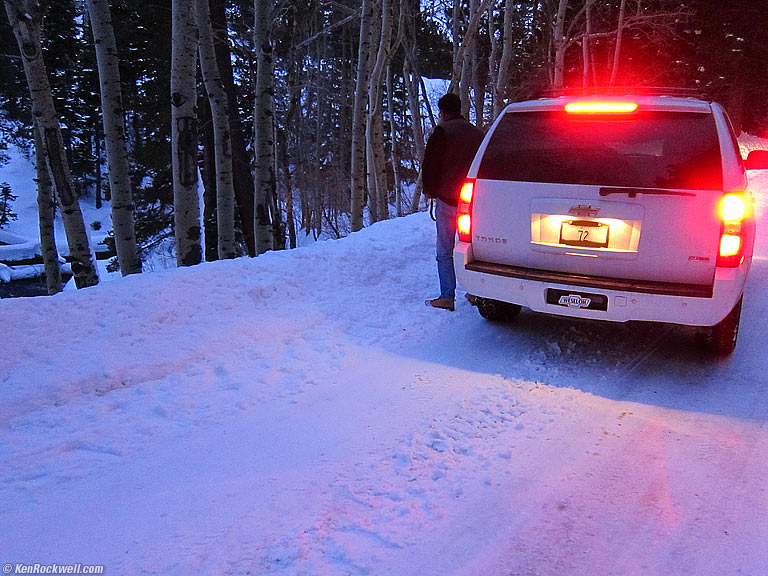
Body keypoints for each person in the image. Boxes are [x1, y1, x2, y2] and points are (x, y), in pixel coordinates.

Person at [422, 93, 484, 311]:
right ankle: (476, 292)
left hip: (447, 199)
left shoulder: (442, 132)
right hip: (473, 201)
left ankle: (447, 296)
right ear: (459, 109)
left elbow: (430, 164)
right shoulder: (478, 134)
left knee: (445, 249)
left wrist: (429, 190)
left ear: (443, 112)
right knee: (472, 248)